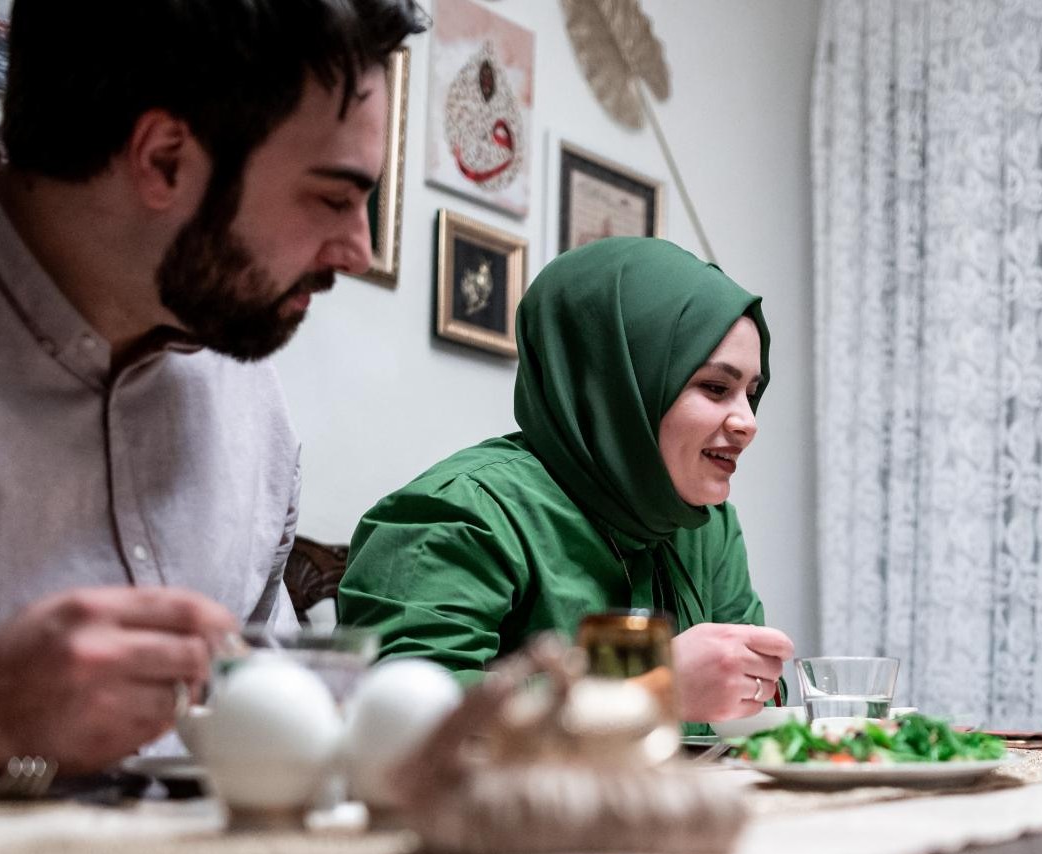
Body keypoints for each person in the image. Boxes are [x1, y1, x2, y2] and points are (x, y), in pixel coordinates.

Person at [0, 0, 427, 774]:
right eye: (334, 196)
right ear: (163, 160)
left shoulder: (250, 395)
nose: (359, 250)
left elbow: (270, 718)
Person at [337, 237, 794, 723]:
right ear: (619, 385)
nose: (748, 422)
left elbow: (758, 697)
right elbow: (405, 729)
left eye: (751, 392)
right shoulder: (461, 514)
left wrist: (754, 684)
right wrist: (649, 685)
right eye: (715, 387)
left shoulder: (709, 527)